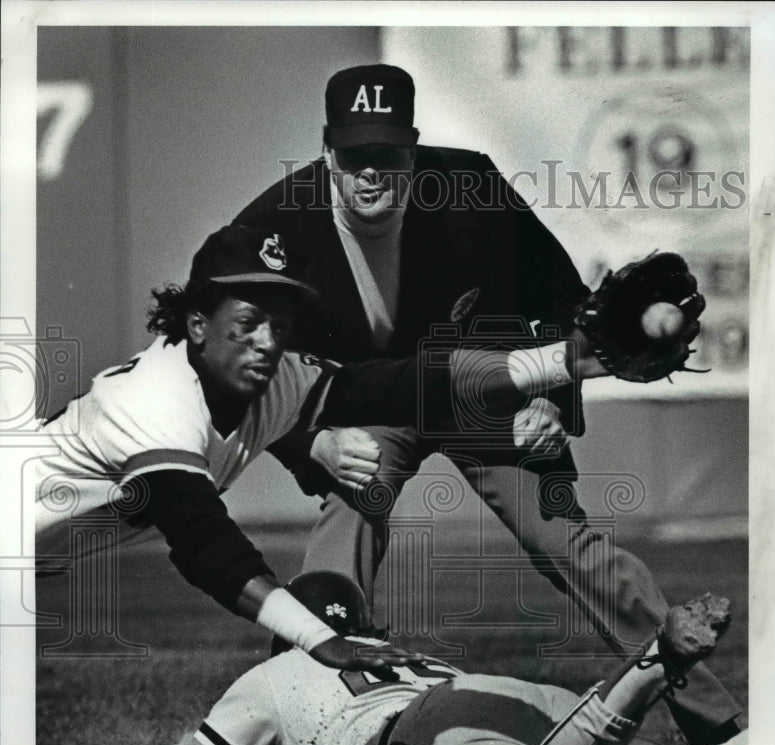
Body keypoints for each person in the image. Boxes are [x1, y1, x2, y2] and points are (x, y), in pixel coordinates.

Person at [232, 62, 742, 745]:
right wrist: (311, 444)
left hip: (487, 387)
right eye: (355, 156)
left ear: (411, 149)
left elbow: (565, 302)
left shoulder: (469, 188)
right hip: (371, 396)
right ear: (328, 153)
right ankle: (282, 727)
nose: (371, 172)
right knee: (346, 516)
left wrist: (553, 402)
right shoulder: (276, 230)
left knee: (571, 546)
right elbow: (243, 364)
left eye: (386, 153)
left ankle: (720, 733)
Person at [34, 222, 610, 673]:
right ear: (197, 324)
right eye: (249, 321)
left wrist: (557, 361)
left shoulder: (273, 379)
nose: (268, 343)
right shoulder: (153, 400)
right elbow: (204, 544)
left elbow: (406, 384)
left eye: (280, 325)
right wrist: (317, 637)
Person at [133, 572, 747, 745]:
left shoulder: (276, 670)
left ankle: (650, 666)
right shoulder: (399, 653)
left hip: (425, 736)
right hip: (490, 695)